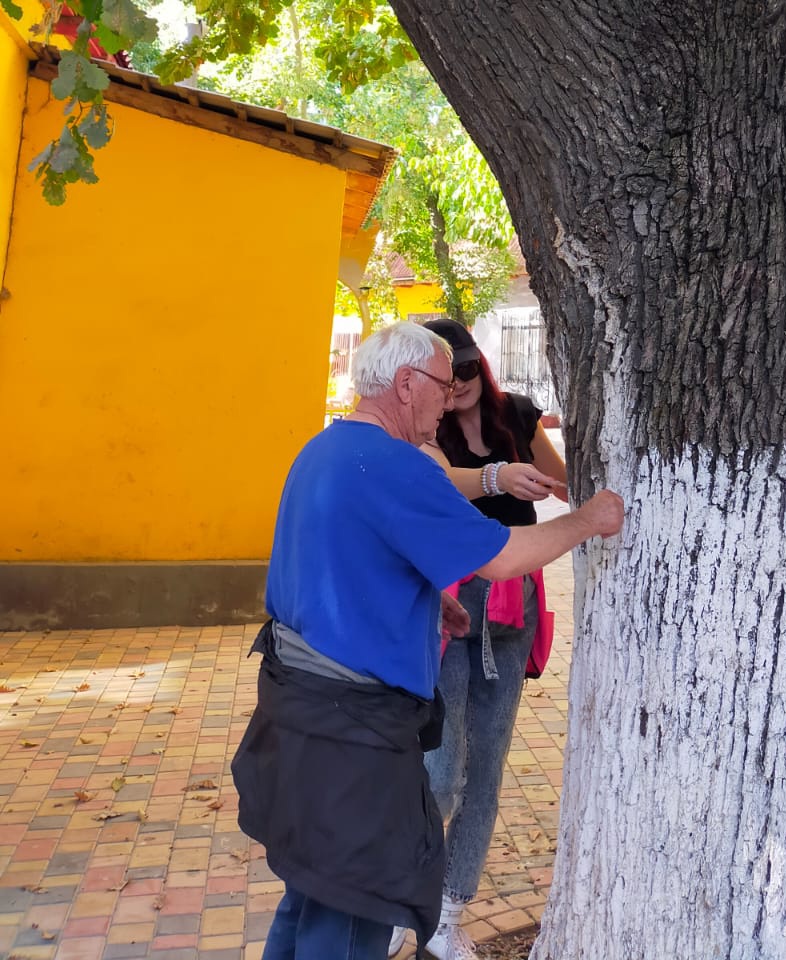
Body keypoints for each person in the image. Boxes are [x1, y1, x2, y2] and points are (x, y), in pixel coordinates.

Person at [231, 321, 624, 960]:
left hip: (297, 707)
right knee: (355, 907)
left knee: (310, 891)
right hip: (351, 729)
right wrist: (588, 519)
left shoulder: (325, 449)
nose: (448, 399)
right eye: (443, 385)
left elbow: (335, 556)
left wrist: (424, 599)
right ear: (407, 383)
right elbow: (503, 556)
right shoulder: (394, 465)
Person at [388, 319, 569, 960]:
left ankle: (448, 912)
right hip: (449, 599)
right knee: (441, 771)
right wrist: (498, 477)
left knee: (486, 769)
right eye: (449, 373)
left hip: (514, 601)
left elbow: (564, 479)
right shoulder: (424, 427)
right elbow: (441, 482)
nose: (458, 383)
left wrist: (554, 484)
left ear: (480, 367)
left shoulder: (517, 413)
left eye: (467, 368)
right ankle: (400, 895)